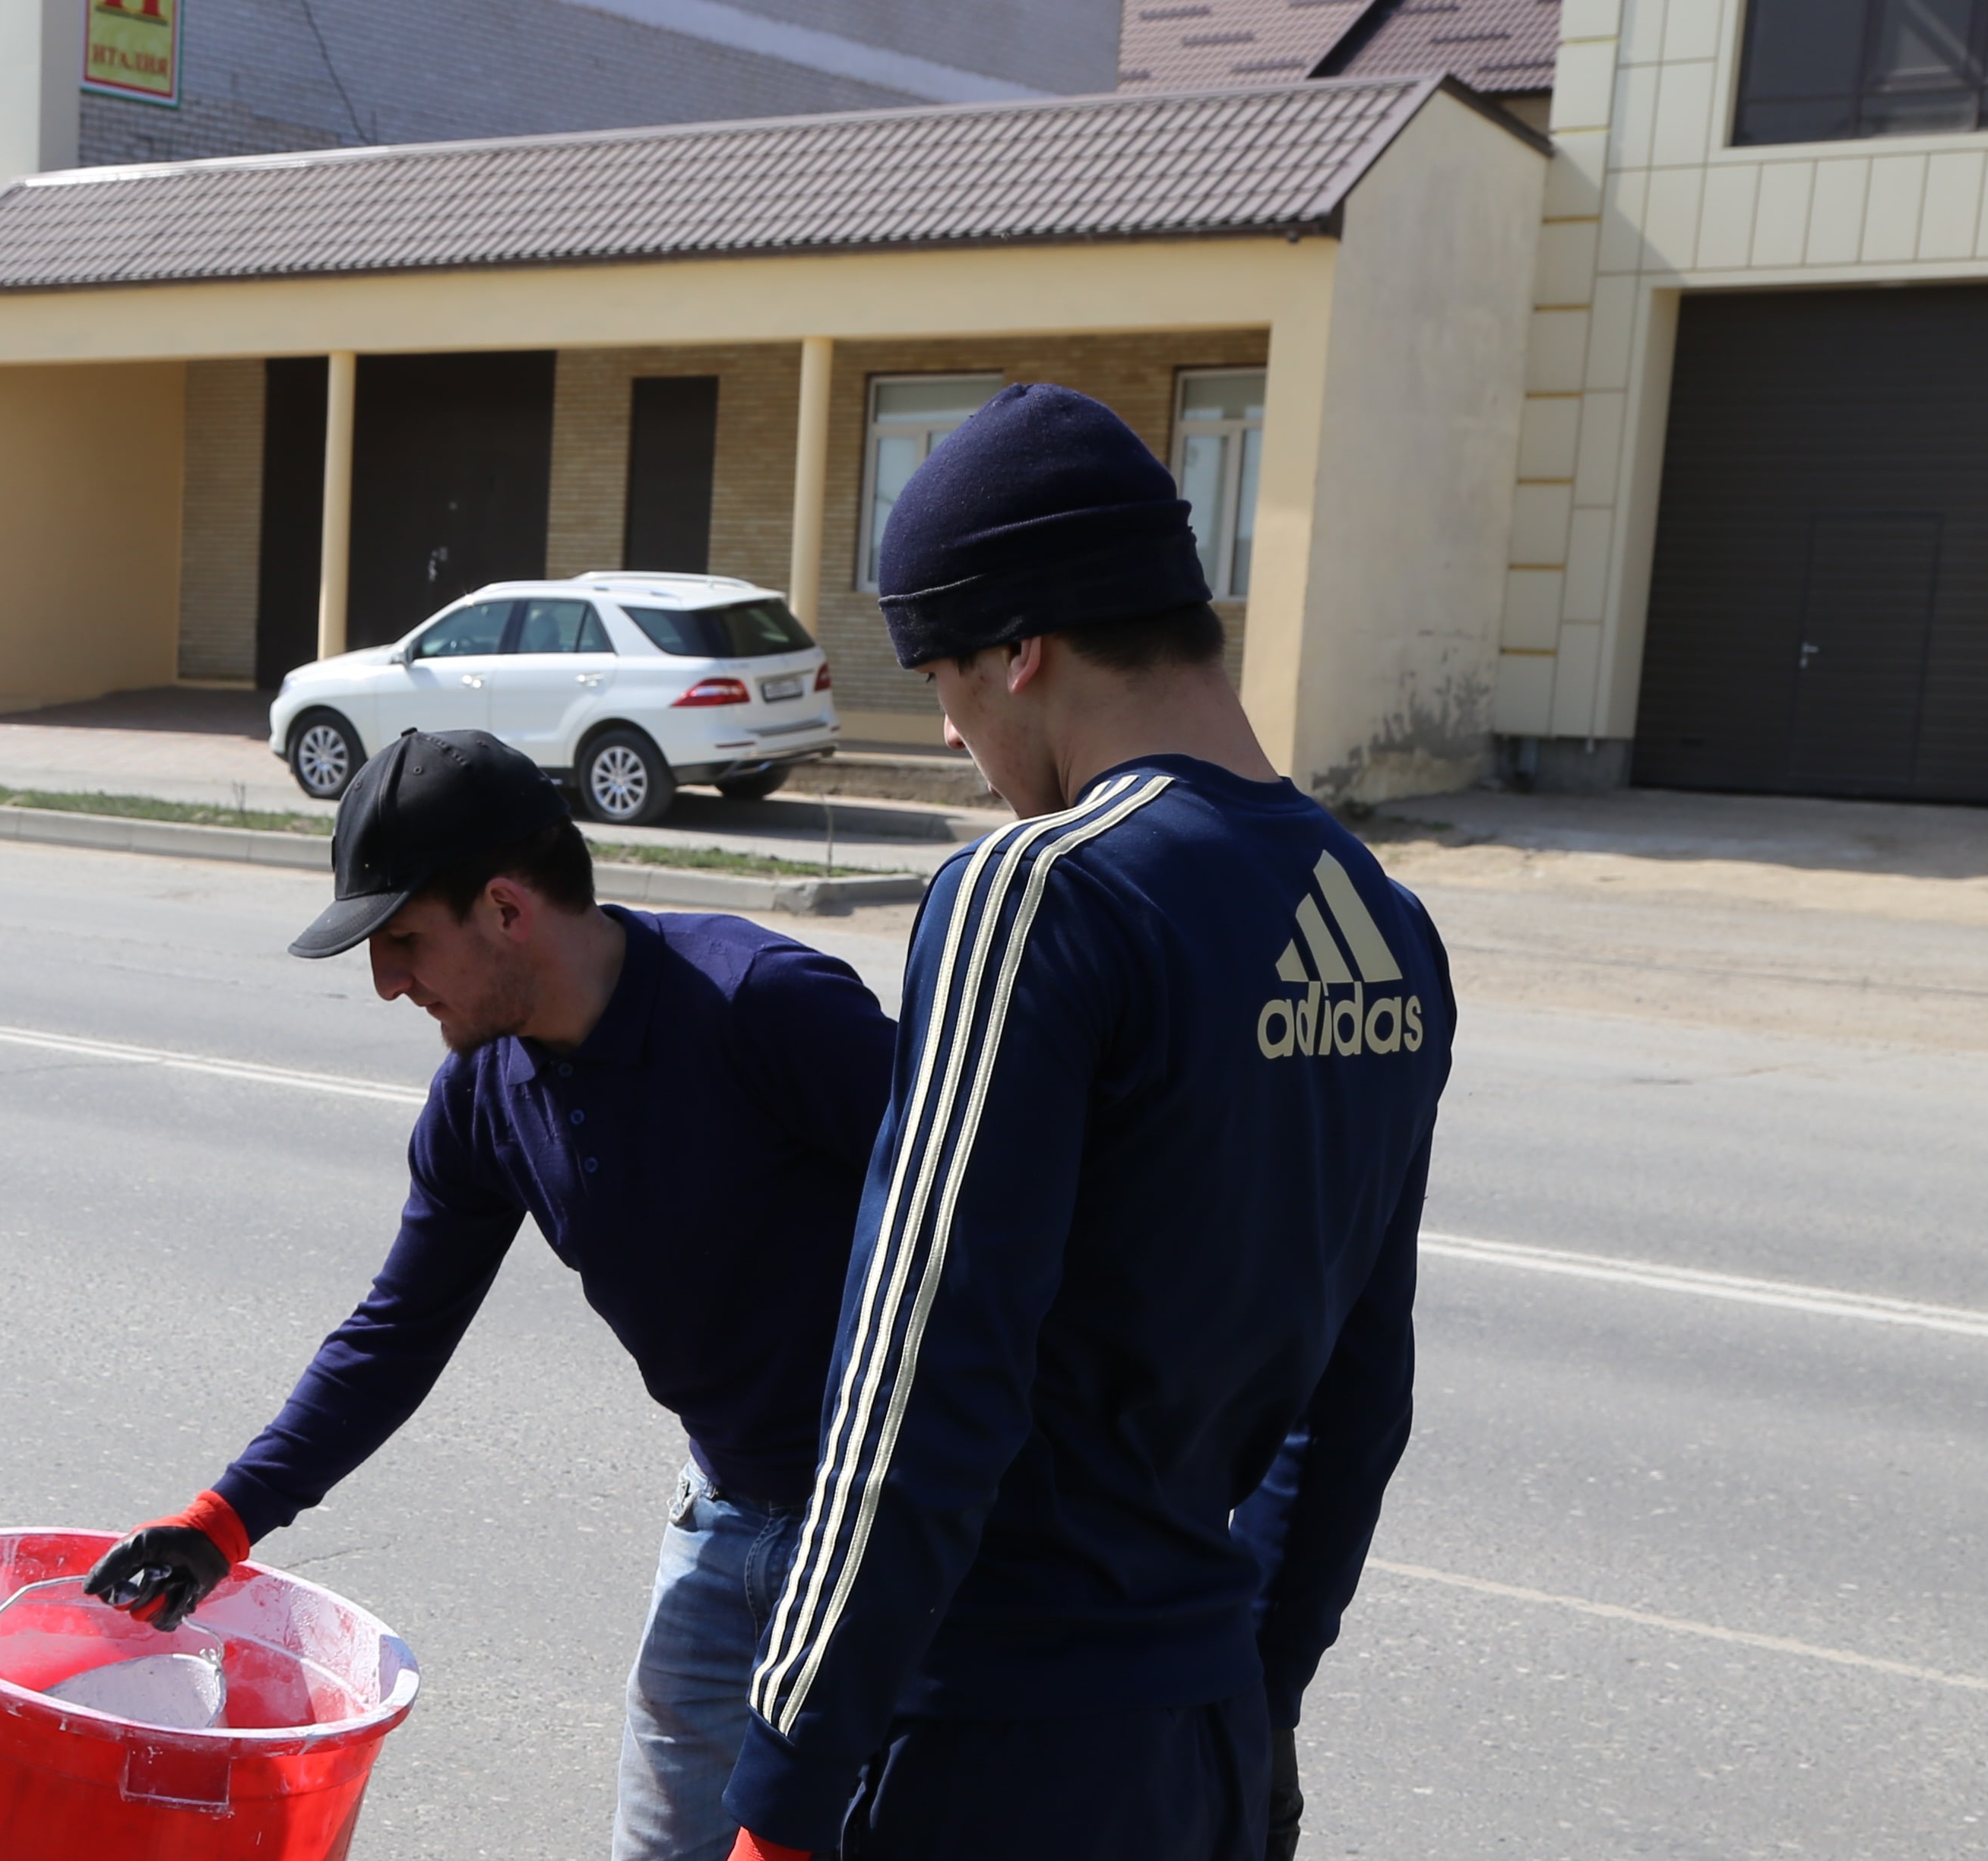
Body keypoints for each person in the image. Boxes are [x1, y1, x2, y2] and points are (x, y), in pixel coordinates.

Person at [720, 385, 1453, 1860]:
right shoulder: (1384, 926)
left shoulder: (1043, 893)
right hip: (1204, 1735)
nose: (950, 729)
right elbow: (1357, 1392)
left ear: (1020, 648)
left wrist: (780, 1796)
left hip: (995, 1743)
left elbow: (917, 1382)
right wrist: (1257, 1696)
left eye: (941, 677)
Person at [84, 728, 896, 1861]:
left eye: (404, 939)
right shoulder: (481, 1094)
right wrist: (222, 1522)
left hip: (895, 1528)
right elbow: (397, 1331)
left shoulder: (761, 1005)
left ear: (505, 909)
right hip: (724, 1513)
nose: (386, 982)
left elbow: (990, 1233)